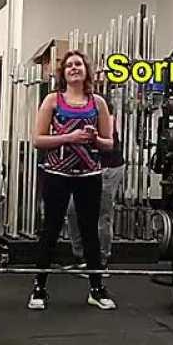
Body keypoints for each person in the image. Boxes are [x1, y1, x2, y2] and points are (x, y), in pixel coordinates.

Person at [28, 49, 117, 310]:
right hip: (57, 175)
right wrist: (69, 137)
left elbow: (109, 143)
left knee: (90, 232)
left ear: (86, 71)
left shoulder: (98, 102)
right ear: (63, 73)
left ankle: (97, 289)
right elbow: (38, 140)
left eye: (78, 64)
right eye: (69, 66)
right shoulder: (52, 101)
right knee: (51, 229)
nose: (74, 68)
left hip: (89, 175)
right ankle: (39, 288)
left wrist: (93, 140)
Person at [66, 91, 124, 276]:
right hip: (87, 169)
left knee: (101, 215)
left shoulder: (108, 119)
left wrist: (92, 138)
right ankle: (81, 257)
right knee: (72, 211)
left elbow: (106, 144)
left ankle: (101, 261)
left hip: (108, 168)